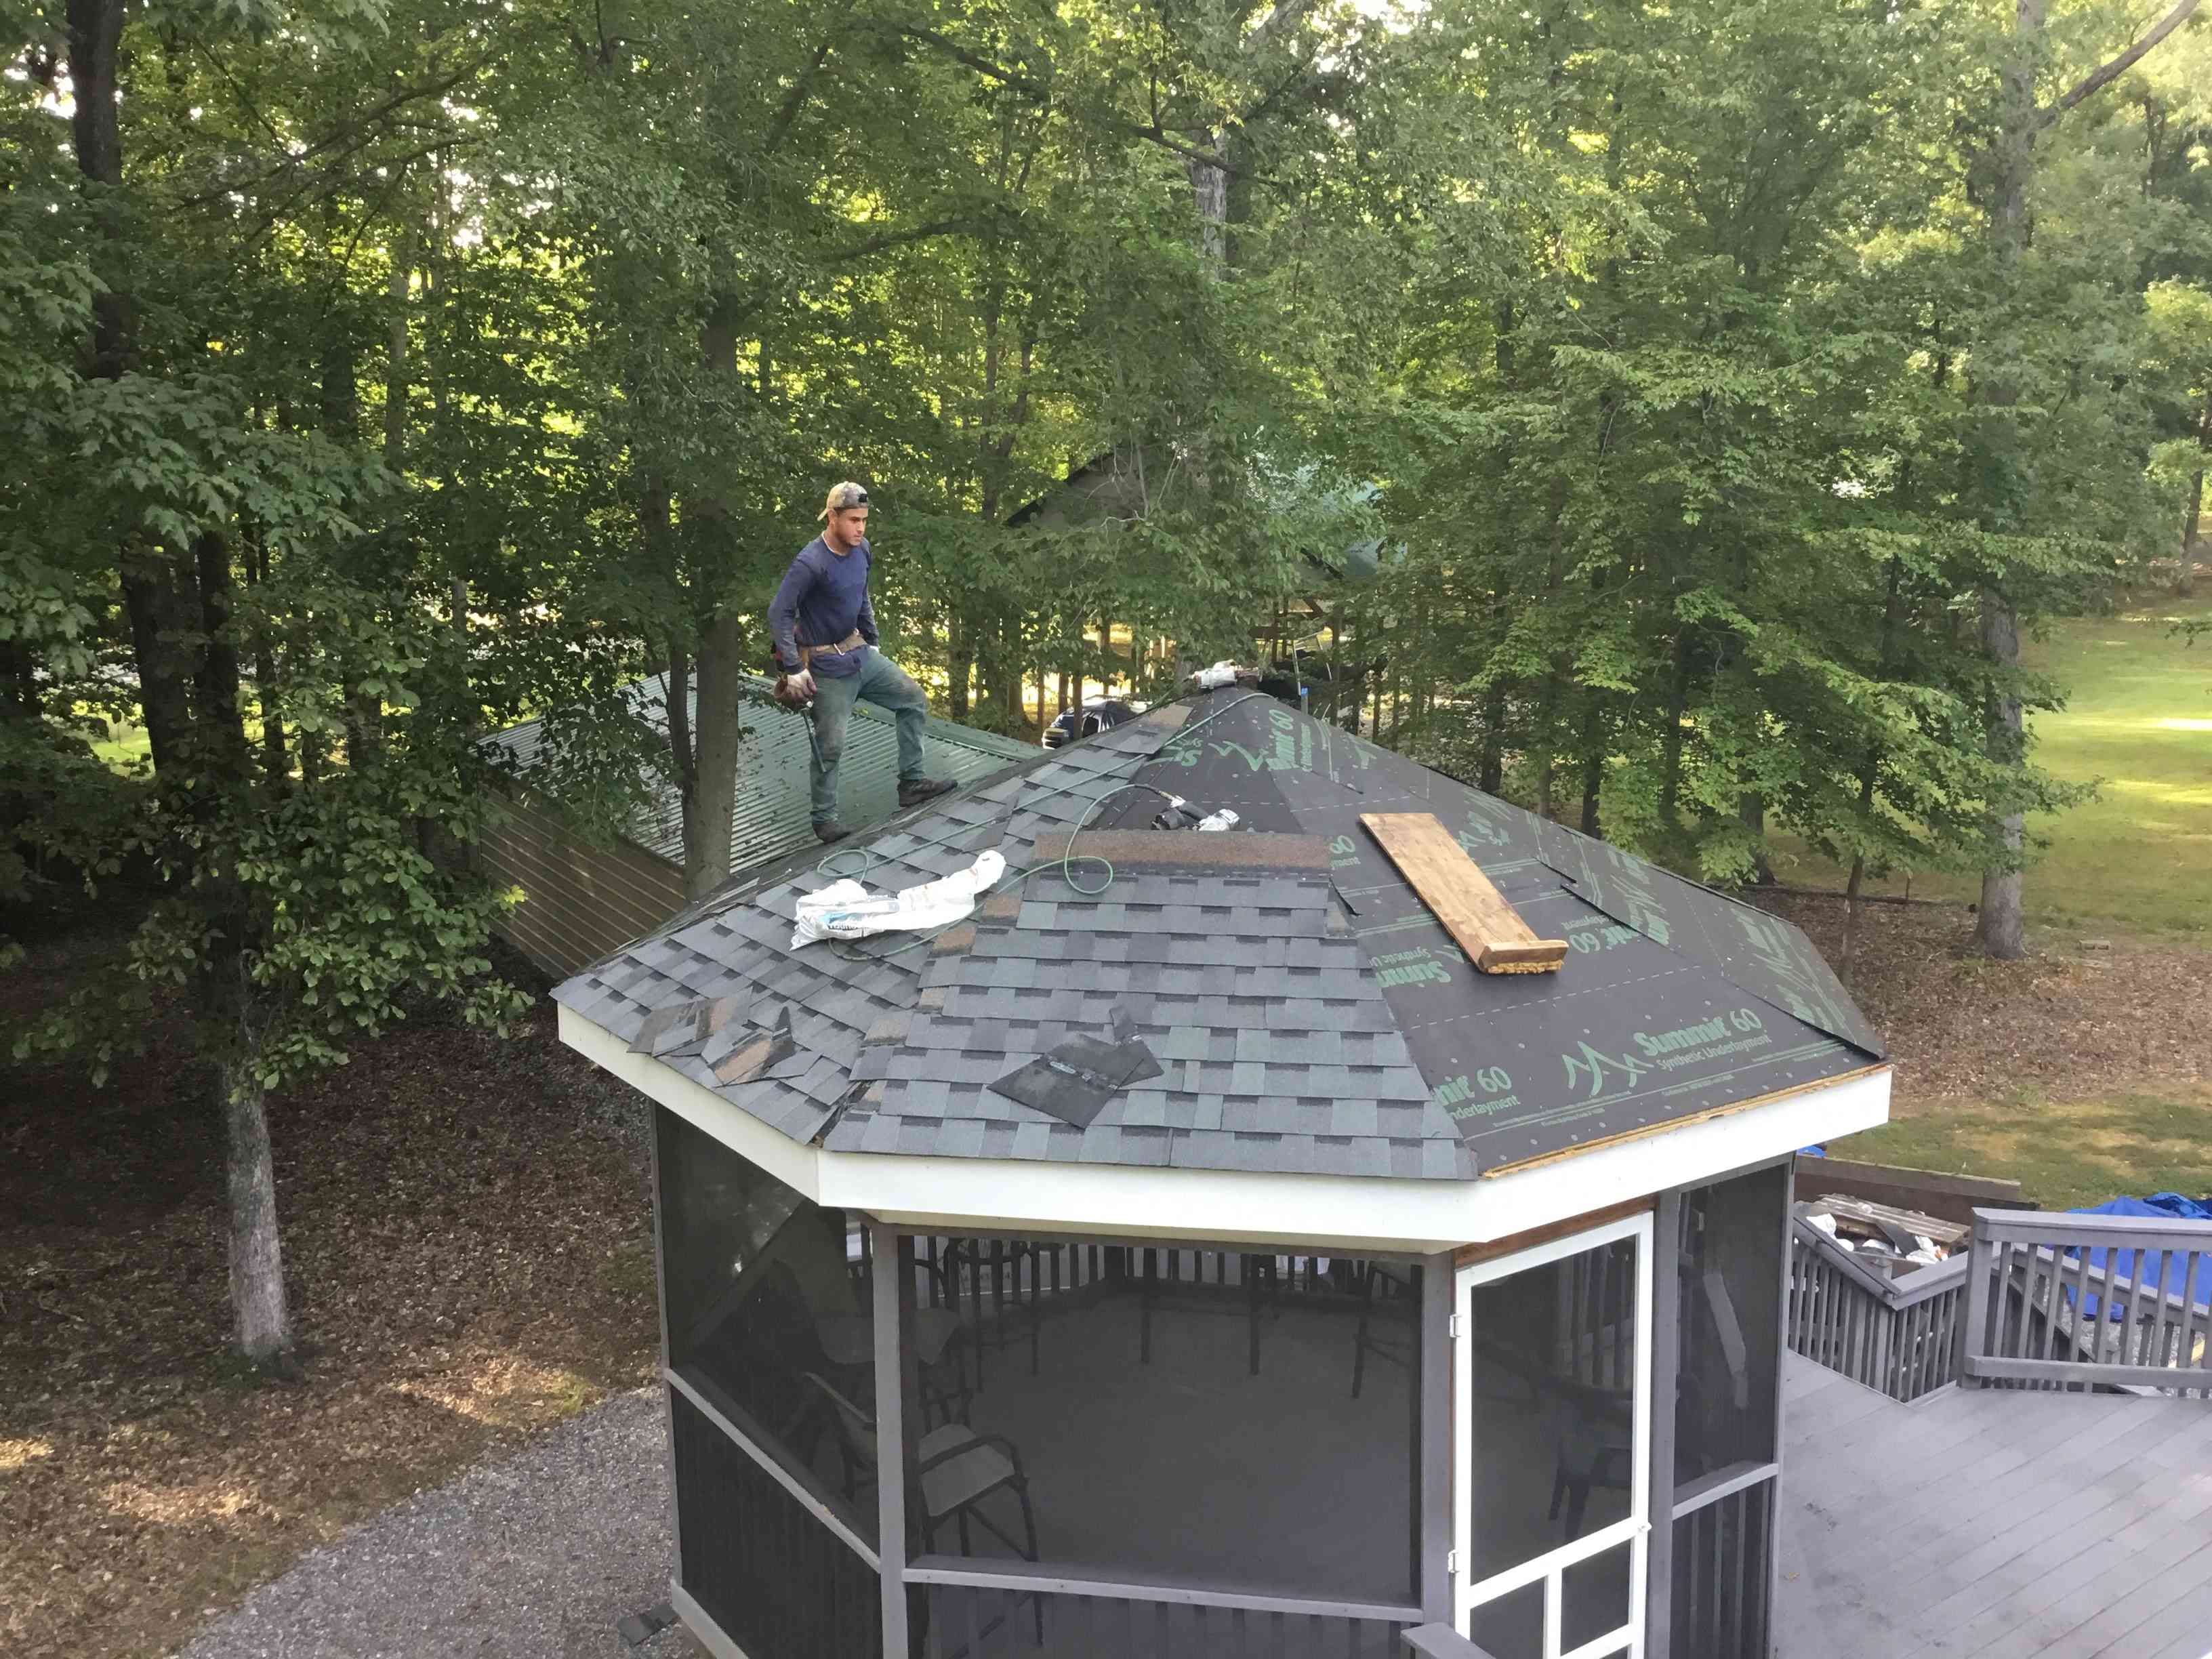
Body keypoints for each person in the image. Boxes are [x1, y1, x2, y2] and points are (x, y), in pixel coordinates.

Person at [769, 482, 952, 842]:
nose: (861, 528)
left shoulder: (862, 550)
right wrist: (794, 668)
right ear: (833, 517)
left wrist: (873, 640)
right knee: (831, 743)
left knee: (913, 699)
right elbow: (779, 612)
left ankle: (912, 783)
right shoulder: (811, 562)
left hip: (859, 653)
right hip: (826, 667)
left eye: (864, 520)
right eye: (854, 520)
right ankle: (824, 819)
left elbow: (861, 595)